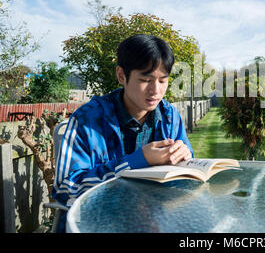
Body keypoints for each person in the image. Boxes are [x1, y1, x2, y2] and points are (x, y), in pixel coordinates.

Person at [52, 34, 193, 231]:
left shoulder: (170, 117)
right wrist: (136, 161)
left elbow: (187, 176)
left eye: (163, 80)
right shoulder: (87, 120)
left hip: (154, 221)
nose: (156, 91)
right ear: (121, 76)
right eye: (146, 79)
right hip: (98, 222)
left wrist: (185, 158)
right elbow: (65, 189)